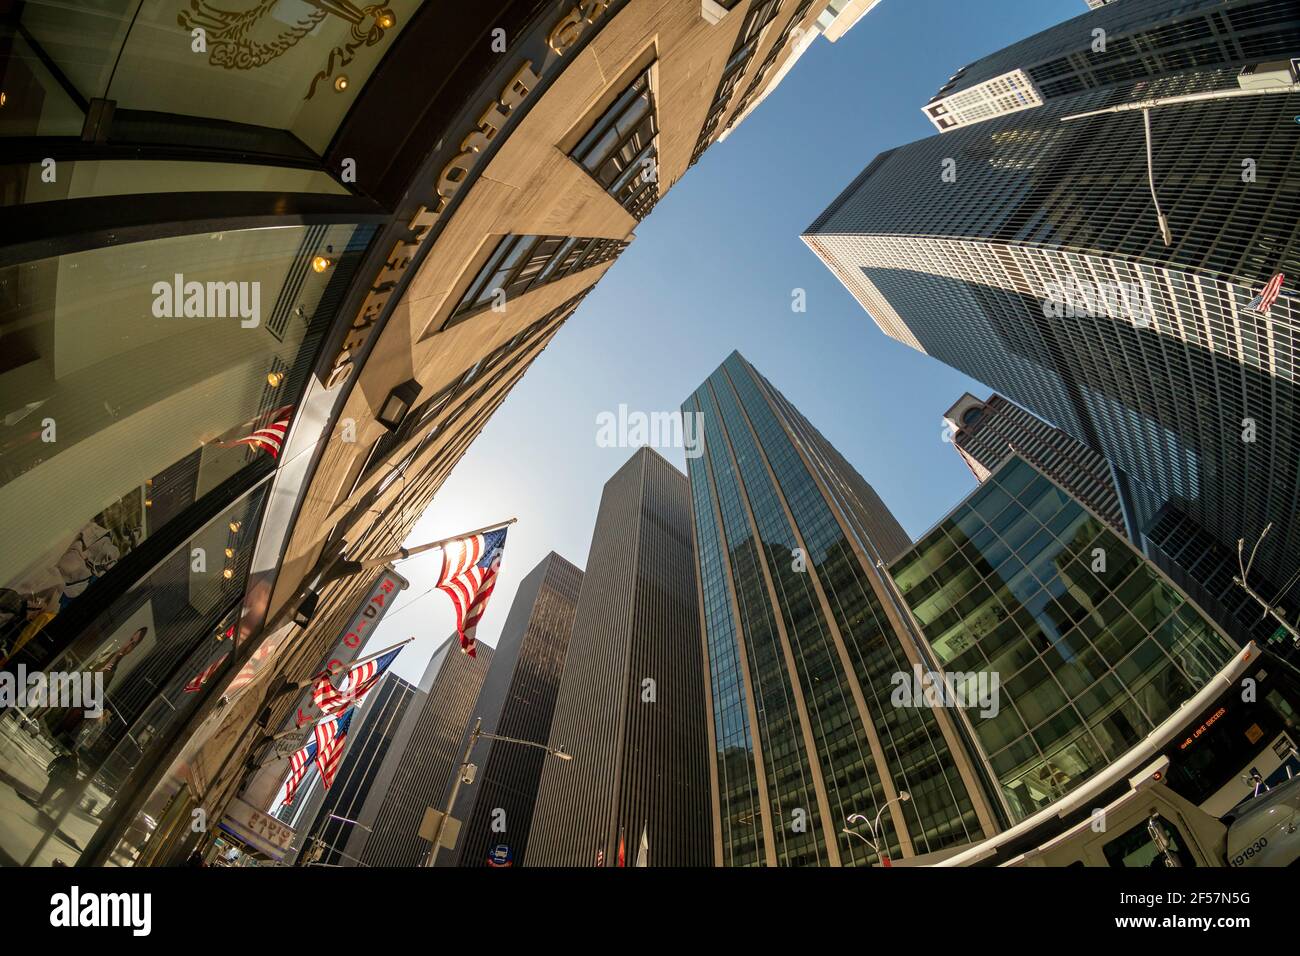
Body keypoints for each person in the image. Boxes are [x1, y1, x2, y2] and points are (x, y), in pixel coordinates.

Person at [35, 750, 81, 817]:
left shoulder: (75, 765)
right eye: (72, 755)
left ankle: (41, 803)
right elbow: (55, 761)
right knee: (48, 789)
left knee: (50, 791)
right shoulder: (65, 757)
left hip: (61, 780)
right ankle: (39, 801)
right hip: (55, 776)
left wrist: (67, 784)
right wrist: (49, 767)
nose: (72, 757)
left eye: (74, 757)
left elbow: (73, 776)